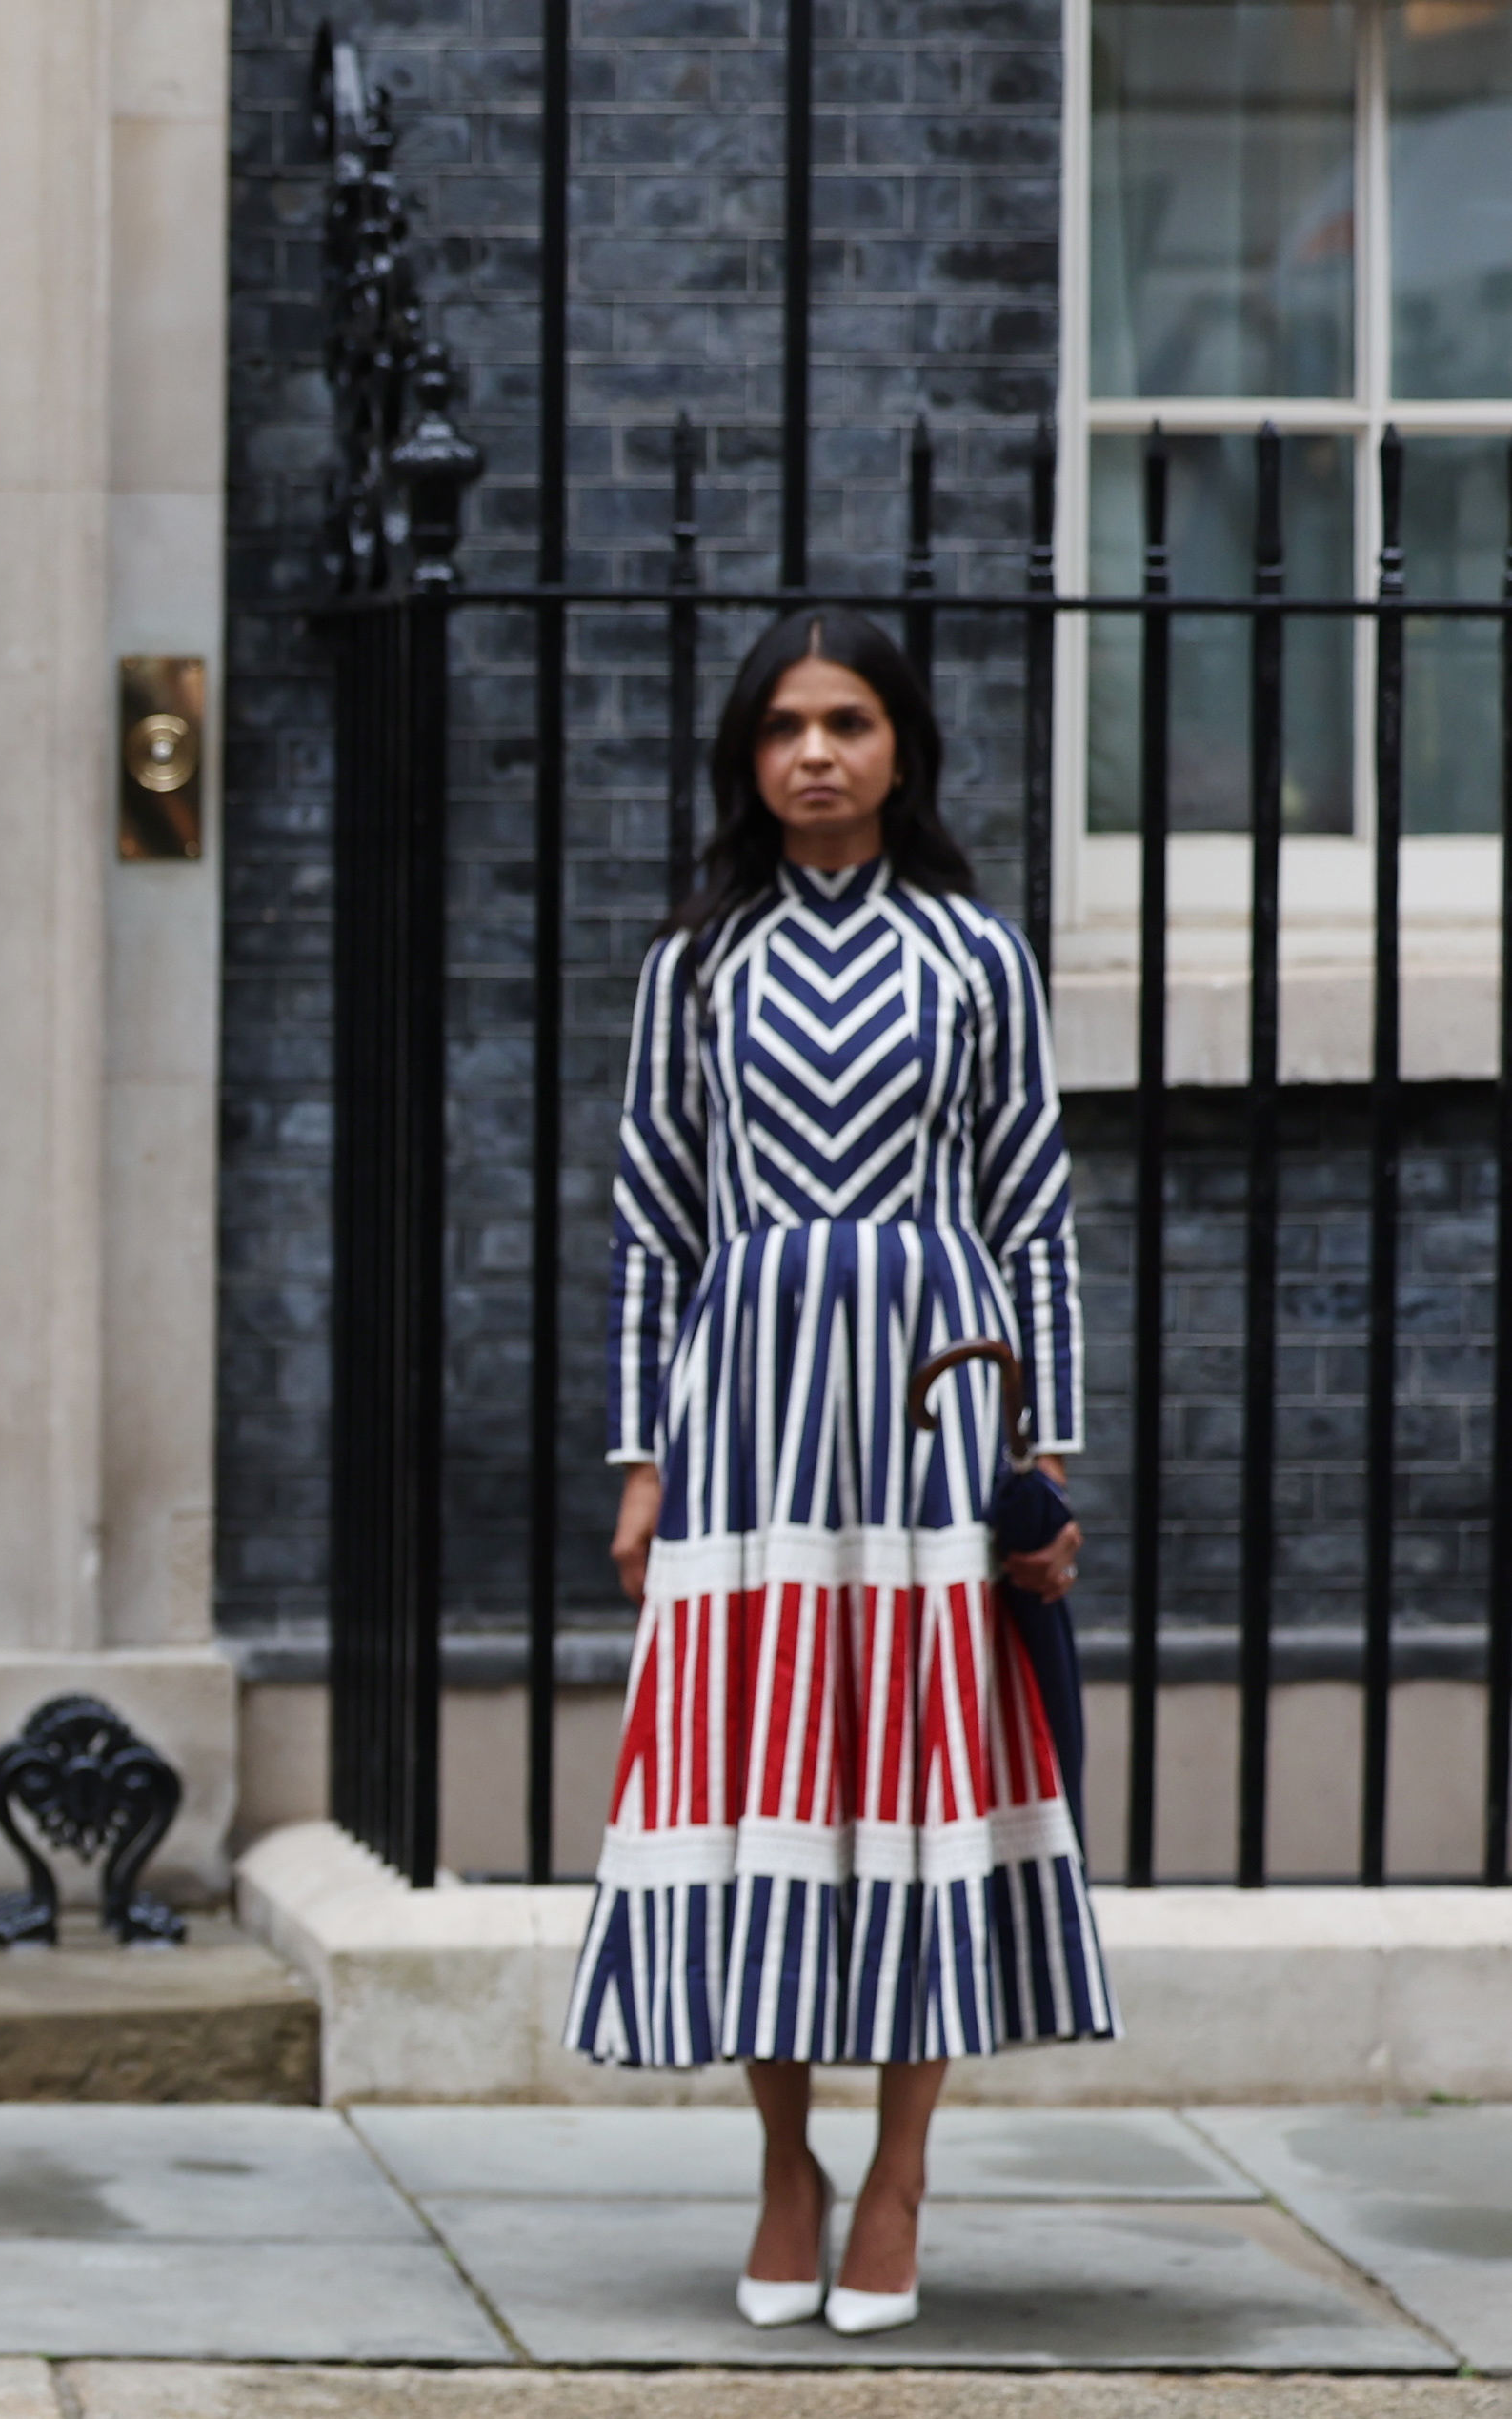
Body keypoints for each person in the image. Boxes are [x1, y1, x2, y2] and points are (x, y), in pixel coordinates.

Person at [564, 607, 1112, 2338]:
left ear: (899, 748)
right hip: (742, 1415)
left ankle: (898, 2171)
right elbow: (652, 1218)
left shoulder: (974, 953)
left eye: (849, 721)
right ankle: (785, 2163)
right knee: (760, 1783)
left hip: (934, 1410)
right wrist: (639, 1463)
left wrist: (1043, 1463)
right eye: (785, 724)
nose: (815, 751)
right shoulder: (692, 967)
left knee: (922, 1785)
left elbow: (1032, 1207)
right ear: (749, 756)